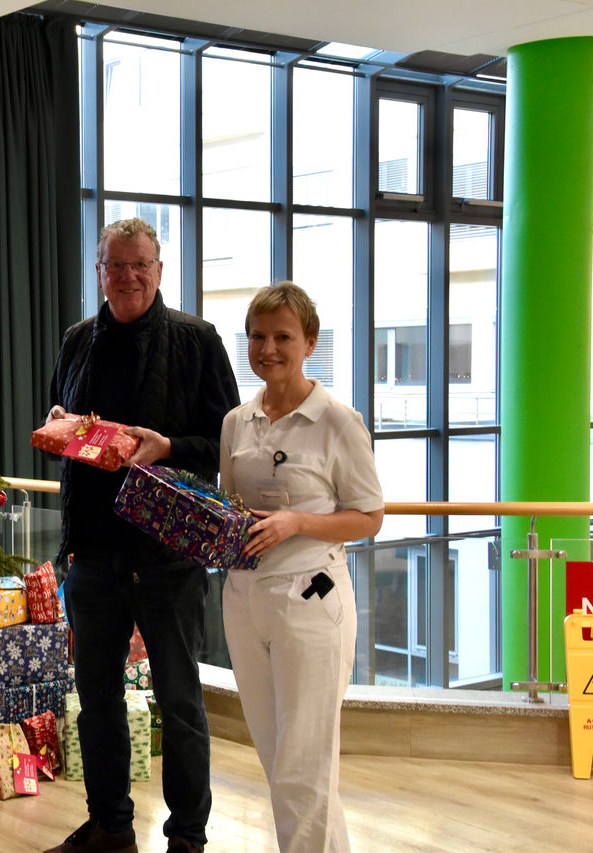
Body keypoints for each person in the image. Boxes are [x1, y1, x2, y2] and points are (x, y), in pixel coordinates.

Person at [43, 218, 239, 853]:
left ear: (160, 270)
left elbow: (227, 448)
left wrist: (168, 447)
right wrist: (59, 427)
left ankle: (186, 837)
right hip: (93, 557)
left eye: (140, 264)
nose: (127, 276)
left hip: (167, 557)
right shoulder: (76, 342)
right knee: (96, 704)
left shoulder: (198, 341)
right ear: (98, 271)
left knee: (181, 704)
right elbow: (63, 429)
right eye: (115, 264)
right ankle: (110, 828)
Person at [219, 282, 383, 853]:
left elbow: (369, 518)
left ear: (309, 341)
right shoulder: (236, 422)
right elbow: (229, 507)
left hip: (311, 599)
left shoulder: (338, 420)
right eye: (258, 337)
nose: (269, 348)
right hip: (244, 600)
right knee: (276, 758)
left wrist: (297, 524)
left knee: (303, 765)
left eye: (282, 336)